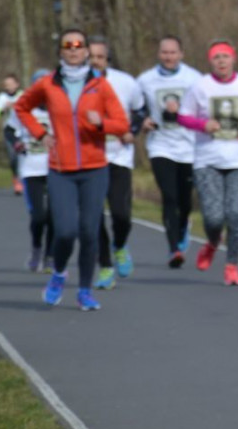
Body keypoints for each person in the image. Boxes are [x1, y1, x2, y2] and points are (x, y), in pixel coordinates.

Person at [14, 29, 129, 311]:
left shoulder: (100, 86)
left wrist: (100, 122)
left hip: (95, 170)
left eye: (79, 46)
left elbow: (122, 124)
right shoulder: (47, 84)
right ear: (61, 52)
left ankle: (85, 291)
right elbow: (21, 107)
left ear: (87, 51)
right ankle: (59, 274)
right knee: (65, 231)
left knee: (90, 232)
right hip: (61, 169)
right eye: (68, 46)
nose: (74, 50)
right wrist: (41, 135)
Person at [178, 39, 238, 286]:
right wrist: (203, 124)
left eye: (225, 56)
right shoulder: (200, 86)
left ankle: (232, 264)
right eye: (216, 57)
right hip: (207, 160)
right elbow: (183, 116)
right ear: (210, 61)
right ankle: (211, 242)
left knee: (236, 214)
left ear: (234, 59)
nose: (221, 61)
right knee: (213, 218)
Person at [137, 35, 203, 268]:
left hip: (189, 147)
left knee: (185, 200)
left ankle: (184, 226)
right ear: (158, 54)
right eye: (165, 52)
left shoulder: (194, 79)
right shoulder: (145, 80)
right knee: (170, 196)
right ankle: (174, 249)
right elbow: (136, 108)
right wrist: (142, 121)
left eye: (173, 53)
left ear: (181, 54)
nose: (169, 57)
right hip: (160, 145)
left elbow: (204, 110)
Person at [89, 37, 146, 289]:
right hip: (89, 158)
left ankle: (119, 245)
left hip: (119, 156)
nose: (95, 61)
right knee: (95, 216)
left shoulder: (125, 82)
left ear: (107, 60)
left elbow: (141, 111)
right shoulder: (74, 84)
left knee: (122, 215)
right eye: (91, 57)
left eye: (99, 57)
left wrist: (132, 130)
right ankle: (105, 266)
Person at [8, 82, 53, 272]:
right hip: (31, 169)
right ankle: (36, 248)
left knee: (55, 216)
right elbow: (9, 130)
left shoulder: (60, 107)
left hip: (56, 169)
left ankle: (50, 256)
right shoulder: (24, 107)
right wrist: (17, 143)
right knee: (38, 216)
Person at [0, 73, 24, 194]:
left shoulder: (23, 95)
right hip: (9, 132)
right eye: (6, 85)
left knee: (24, 157)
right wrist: (3, 109)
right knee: (13, 157)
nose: (8, 87)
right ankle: (16, 180)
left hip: (23, 131)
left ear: (17, 84)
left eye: (11, 84)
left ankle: (24, 180)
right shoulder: (2, 97)